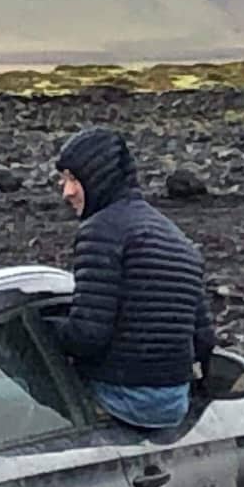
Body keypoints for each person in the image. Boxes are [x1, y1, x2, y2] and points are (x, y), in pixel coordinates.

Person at [49, 126, 215, 430]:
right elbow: (204, 338)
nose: (67, 192)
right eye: (64, 179)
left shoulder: (101, 231)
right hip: (174, 403)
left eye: (74, 179)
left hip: (123, 398)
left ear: (98, 178)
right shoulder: (176, 237)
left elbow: (88, 337)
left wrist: (42, 331)